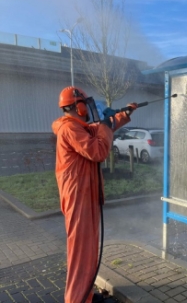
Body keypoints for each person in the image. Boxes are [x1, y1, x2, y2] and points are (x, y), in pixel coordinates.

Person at [52, 86, 137, 303]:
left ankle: (86, 296)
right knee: (81, 253)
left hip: (85, 196)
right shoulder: (70, 129)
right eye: (85, 104)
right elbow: (98, 151)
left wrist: (123, 114)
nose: (88, 109)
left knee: (89, 251)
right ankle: (76, 300)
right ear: (77, 106)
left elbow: (97, 129)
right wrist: (107, 125)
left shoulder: (79, 127)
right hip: (77, 198)